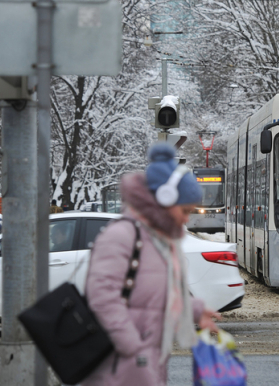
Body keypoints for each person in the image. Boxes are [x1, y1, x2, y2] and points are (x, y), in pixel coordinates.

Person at [83, 144, 221, 386]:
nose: (188, 218)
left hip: (145, 358)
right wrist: (133, 347)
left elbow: (160, 294)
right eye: (185, 210)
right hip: (120, 363)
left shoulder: (157, 239)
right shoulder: (122, 235)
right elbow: (102, 297)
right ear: (164, 200)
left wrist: (196, 310)